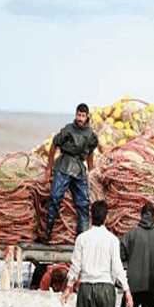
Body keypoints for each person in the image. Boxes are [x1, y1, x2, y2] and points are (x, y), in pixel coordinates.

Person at [61, 201, 133, 307]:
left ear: (91, 216)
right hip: (106, 289)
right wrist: (127, 291)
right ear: (106, 218)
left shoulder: (82, 238)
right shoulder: (112, 240)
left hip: (86, 288)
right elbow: (117, 268)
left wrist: (68, 288)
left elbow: (75, 266)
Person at [44, 103, 98, 241]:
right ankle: (47, 234)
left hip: (79, 168)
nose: (80, 118)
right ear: (75, 115)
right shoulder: (68, 130)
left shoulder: (91, 134)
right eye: (78, 115)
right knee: (55, 197)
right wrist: (49, 167)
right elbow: (54, 145)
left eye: (83, 115)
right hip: (64, 165)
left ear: (87, 117)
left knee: (84, 203)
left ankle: (82, 238)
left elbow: (90, 152)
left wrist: (91, 170)